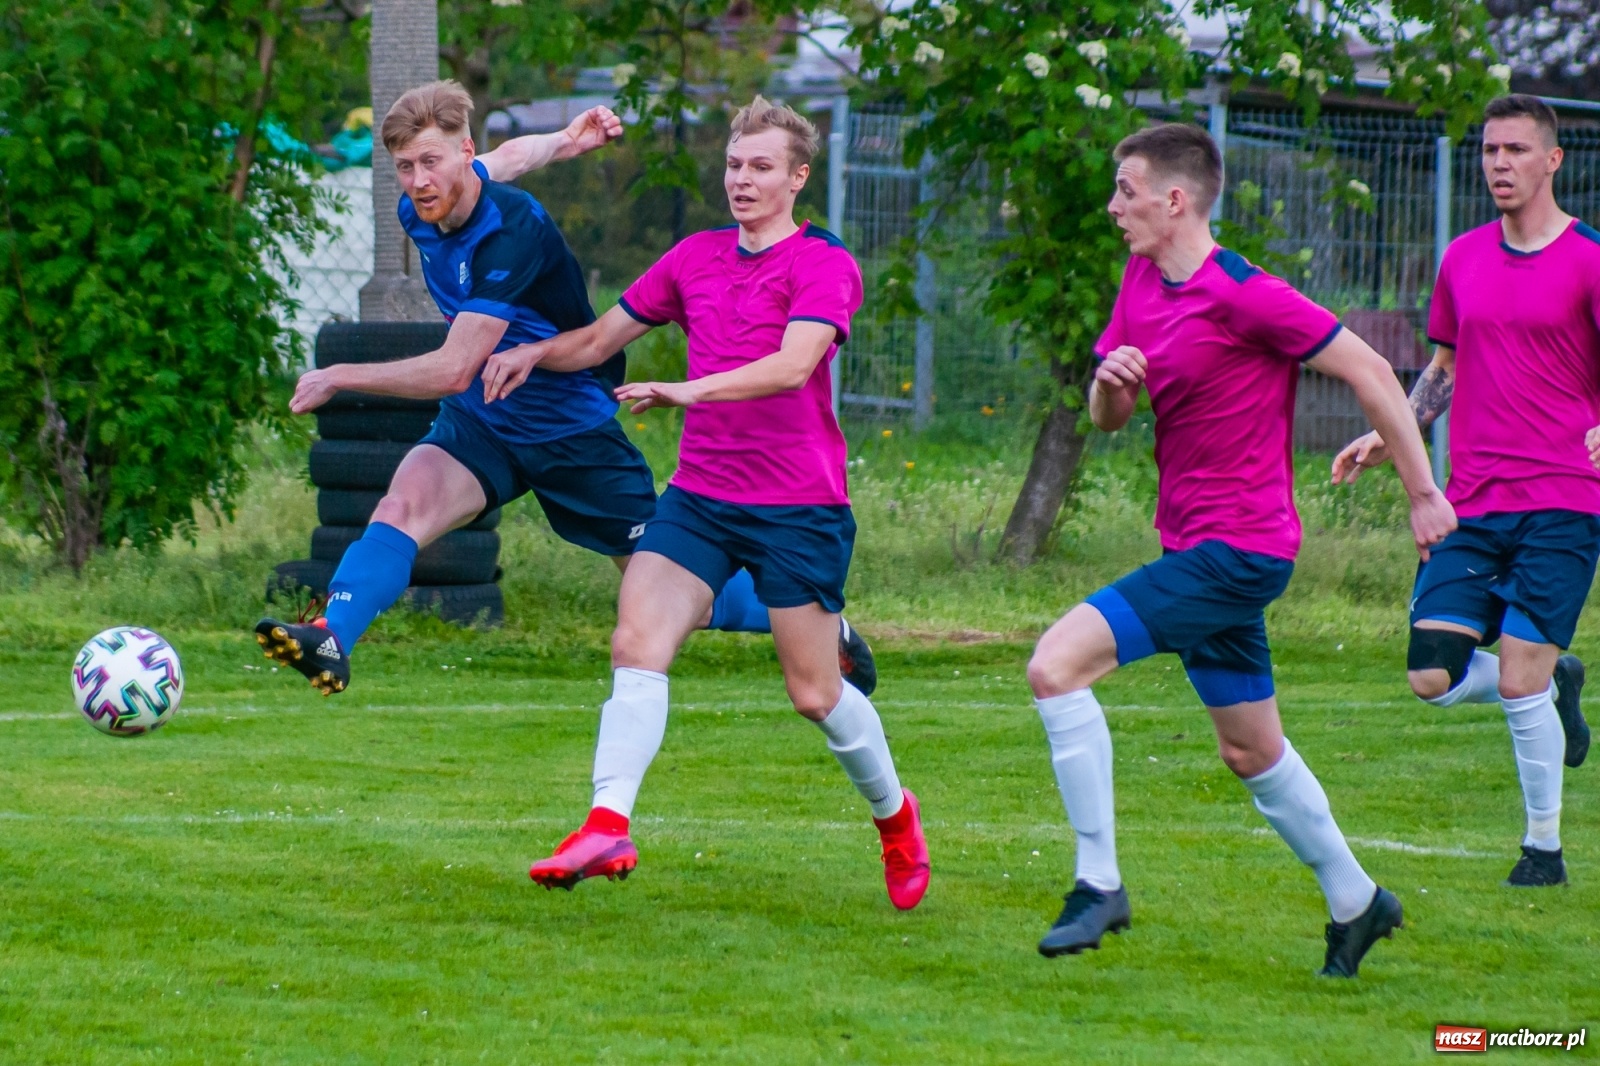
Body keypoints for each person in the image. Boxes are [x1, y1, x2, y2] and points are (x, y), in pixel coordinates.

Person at [254, 81, 876, 698]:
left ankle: (819, 625)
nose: (418, 181)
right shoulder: (426, 201)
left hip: (571, 429)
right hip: (486, 420)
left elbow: (453, 369)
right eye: (404, 167)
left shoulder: (512, 230)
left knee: (677, 590)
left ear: (465, 153)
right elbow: (512, 158)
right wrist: (565, 140)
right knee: (400, 507)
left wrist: (341, 374)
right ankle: (332, 637)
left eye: (431, 163)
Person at [1026, 123, 1457, 975]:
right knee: (1250, 750)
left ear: (1174, 200)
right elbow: (1114, 413)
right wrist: (1110, 387)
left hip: (1239, 552)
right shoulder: (1140, 282)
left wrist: (1423, 493)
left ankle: (1098, 884)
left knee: (1056, 665)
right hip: (1195, 543)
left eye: (1126, 191)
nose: (1115, 208)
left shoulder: (1245, 292)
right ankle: (1360, 902)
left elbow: (1372, 371)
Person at [478, 96, 929, 909]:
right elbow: (595, 343)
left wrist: (686, 390)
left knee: (816, 696)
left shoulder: (825, 264)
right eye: (733, 165)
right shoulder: (694, 258)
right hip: (701, 499)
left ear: (798, 178)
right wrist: (533, 354)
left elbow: (792, 367)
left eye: (762, 167)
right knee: (636, 638)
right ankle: (606, 822)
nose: (742, 180)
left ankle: (897, 819)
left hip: (799, 505)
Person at [1334, 94, 1596, 890]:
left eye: (1517, 150)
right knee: (1433, 678)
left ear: (1553, 161)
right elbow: (1442, 371)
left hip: (1565, 498)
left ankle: (1542, 850)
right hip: (1472, 500)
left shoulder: (1590, 257)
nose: (1500, 165)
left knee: (1513, 678)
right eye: (1489, 151)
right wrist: (1395, 433)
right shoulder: (1464, 258)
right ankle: (1558, 679)